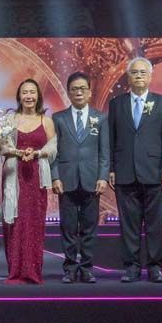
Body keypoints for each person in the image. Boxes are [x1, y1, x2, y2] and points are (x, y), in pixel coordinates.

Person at [108, 57, 162, 283]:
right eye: (134, 72)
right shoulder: (116, 104)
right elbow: (111, 138)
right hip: (125, 173)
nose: (138, 76)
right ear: (128, 76)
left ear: (150, 76)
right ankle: (131, 267)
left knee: (155, 224)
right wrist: (111, 168)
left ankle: (155, 267)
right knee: (128, 225)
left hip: (155, 174)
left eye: (142, 72)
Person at [50, 73, 107, 283]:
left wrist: (102, 177)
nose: (79, 92)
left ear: (89, 92)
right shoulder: (58, 118)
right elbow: (53, 152)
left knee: (89, 227)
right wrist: (55, 177)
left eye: (83, 88)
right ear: (69, 92)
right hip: (66, 180)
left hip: (92, 180)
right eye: (74, 89)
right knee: (68, 227)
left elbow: (104, 152)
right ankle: (70, 268)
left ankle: (87, 268)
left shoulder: (100, 118)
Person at [1, 79, 57, 284]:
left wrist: (37, 153)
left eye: (32, 92)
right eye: (25, 92)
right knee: (14, 222)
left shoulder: (46, 121)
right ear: (19, 96)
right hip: (13, 176)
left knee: (33, 223)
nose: (29, 96)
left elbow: (53, 148)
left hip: (36, 177)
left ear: (38, 96)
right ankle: (15, 270)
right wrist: (17, 152)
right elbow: (0, 148)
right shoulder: (10, 119)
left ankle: (32, 271)